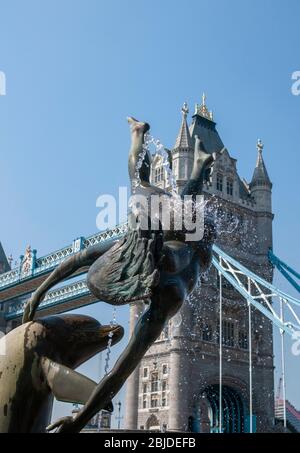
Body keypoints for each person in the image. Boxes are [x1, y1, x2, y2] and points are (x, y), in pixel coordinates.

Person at [24, 117, 216, 433]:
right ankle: (151, 141)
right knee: (139, 183)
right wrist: (40, 292)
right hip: (191, 236)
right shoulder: (149, 258)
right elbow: (79, 261)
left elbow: (117, 372)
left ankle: (182, 158)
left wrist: (39, 292)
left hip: (194, 237)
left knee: (155, 195)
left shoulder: (164, 292)